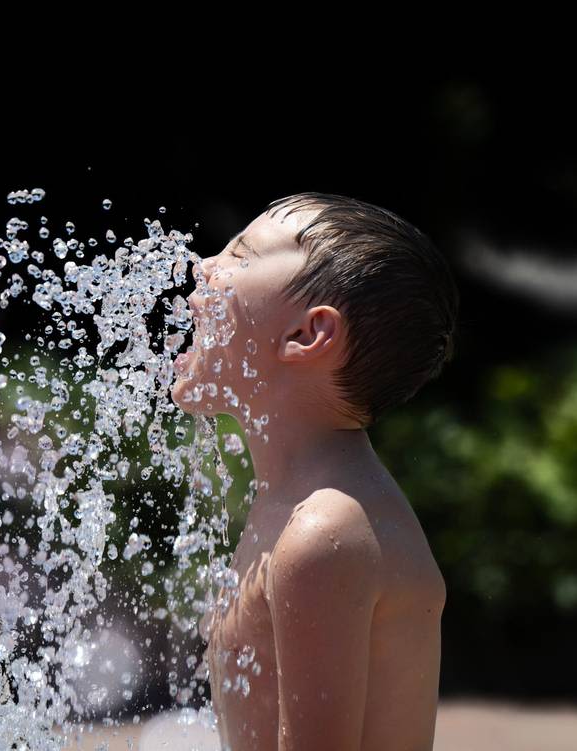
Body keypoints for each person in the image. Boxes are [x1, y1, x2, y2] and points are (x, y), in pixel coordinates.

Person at [171, 192, 458, 750]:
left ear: (306, 336)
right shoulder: (304, 506)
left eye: (241, 255)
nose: (202, 267)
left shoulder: (323, 534)